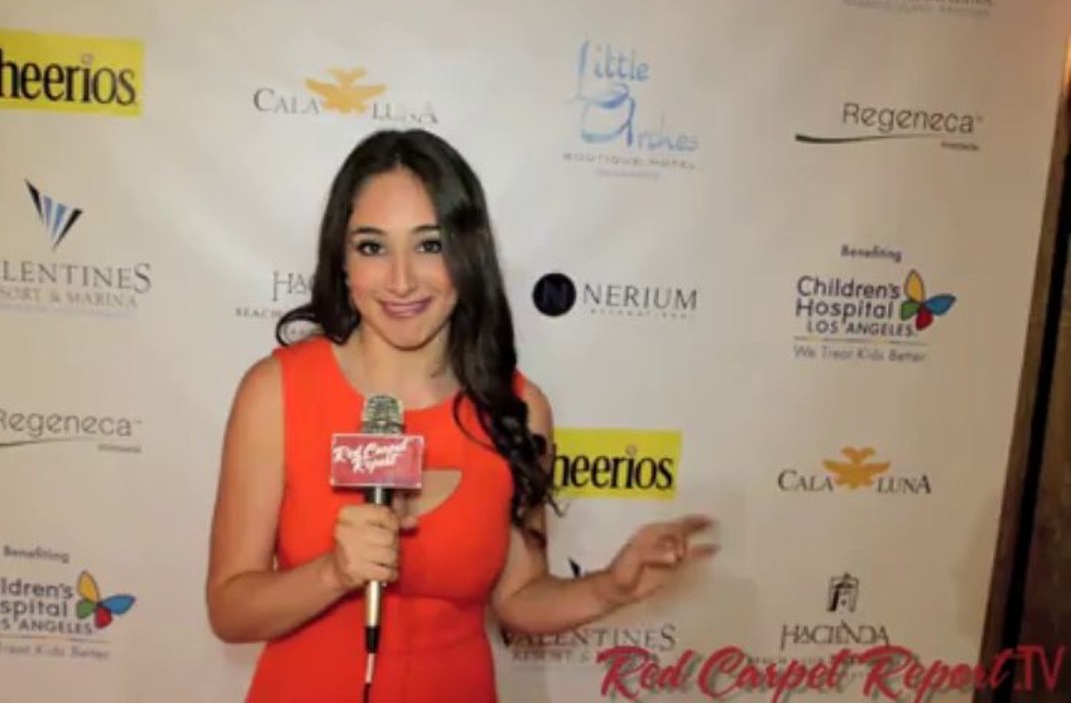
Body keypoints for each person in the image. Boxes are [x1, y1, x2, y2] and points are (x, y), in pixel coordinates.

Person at [205, 128, 716, 702]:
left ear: (467, 255)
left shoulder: (517, 408)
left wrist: (611, 588)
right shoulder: (277, 391)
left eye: (430, 245)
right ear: (342, 263)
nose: (401, 280)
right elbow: (230, 609)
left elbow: (519, 598)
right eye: (372, 247)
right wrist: (334, 574)